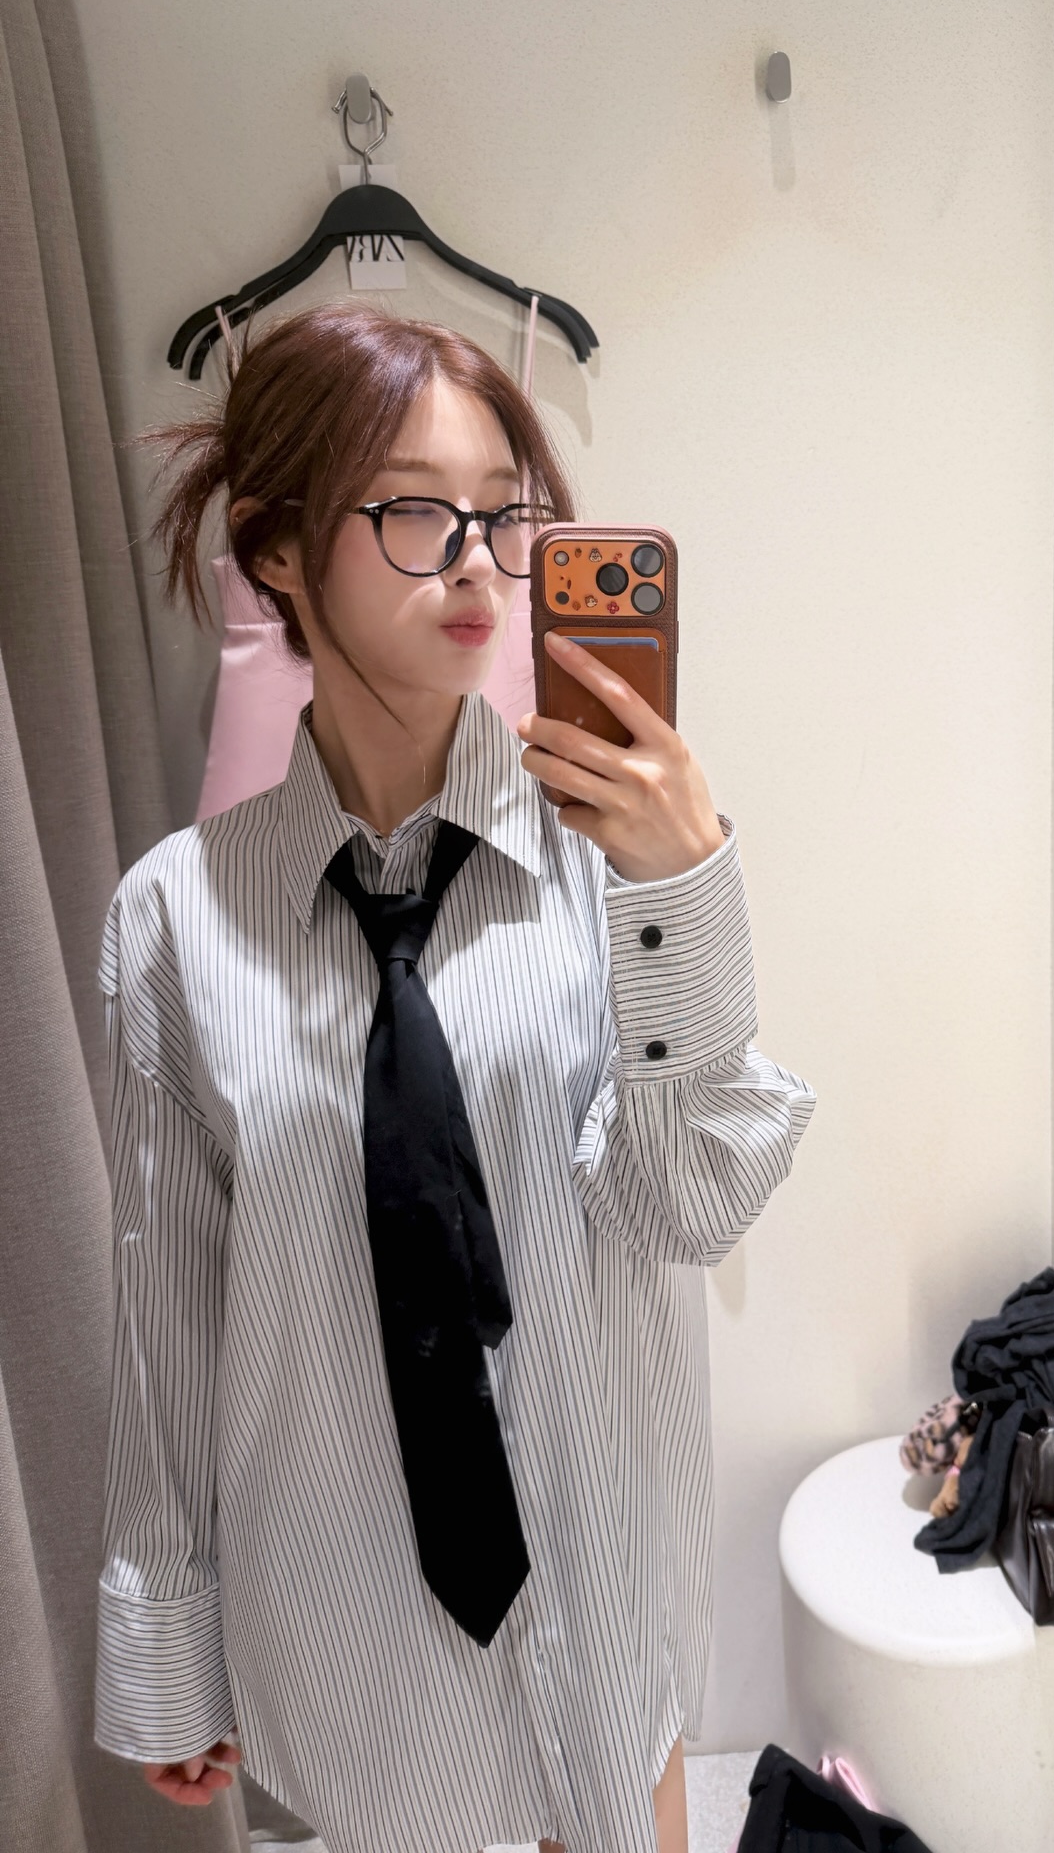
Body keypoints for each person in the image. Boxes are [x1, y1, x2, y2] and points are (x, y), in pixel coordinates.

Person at [94, 298, 816, 1853]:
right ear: (280, 550)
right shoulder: (173, 919)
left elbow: (693, 1206)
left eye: (504, 514)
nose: (480, 563)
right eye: (417, 513)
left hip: (598, 1594)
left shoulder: (616, 866)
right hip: (345, 1619)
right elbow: (173, 1304)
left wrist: (687, 888)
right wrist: (166, 1632)